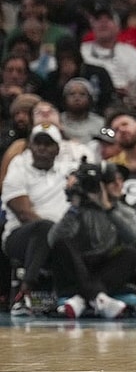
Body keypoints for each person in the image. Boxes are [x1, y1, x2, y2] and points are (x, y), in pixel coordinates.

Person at [48, 160, 136, 319]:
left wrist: (108, 208)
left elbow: (133, 237)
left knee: (130, 253)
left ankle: (82, 300)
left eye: (121, 180)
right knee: (62, 244)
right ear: (100, 185)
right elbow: (53, 240)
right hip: (79, 268)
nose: (119, 184)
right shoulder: (79, 211)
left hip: (105, 270)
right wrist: (74, 206)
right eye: (113, 180)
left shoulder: (125, 212)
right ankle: (99, 299)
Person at [3, 124, 71, 316]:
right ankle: (25, 292)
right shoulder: (18, 169)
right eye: (37, 143)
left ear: (57, 148)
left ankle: (77, 298)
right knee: (43, 227)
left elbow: (103, 174)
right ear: (30, 146)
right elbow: (24, 214)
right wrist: (55, 233)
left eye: (48, 144)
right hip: (19, 237)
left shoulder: (69, 170)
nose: (41, 148)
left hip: (60, 239)